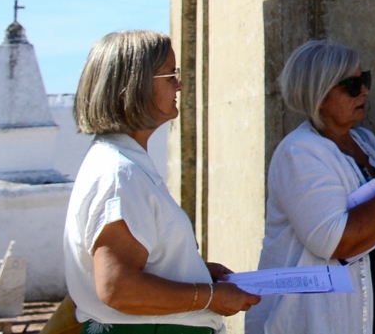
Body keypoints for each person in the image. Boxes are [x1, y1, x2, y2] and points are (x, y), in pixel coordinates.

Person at [63, 30, 260, 329]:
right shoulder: (119, 174)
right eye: (170, 76)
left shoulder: (125, 165)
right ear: (136, 86)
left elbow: (140, 263)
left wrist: (190, 271)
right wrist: (210, 297)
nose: (179, 85)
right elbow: (119, 287)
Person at [252, 39, 375, 333]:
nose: (365, 91)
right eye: (352, 86)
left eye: (364, 80)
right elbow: (337, 243)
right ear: (318, 95)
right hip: (330, 320)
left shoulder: (366, 142)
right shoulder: (300, 152)